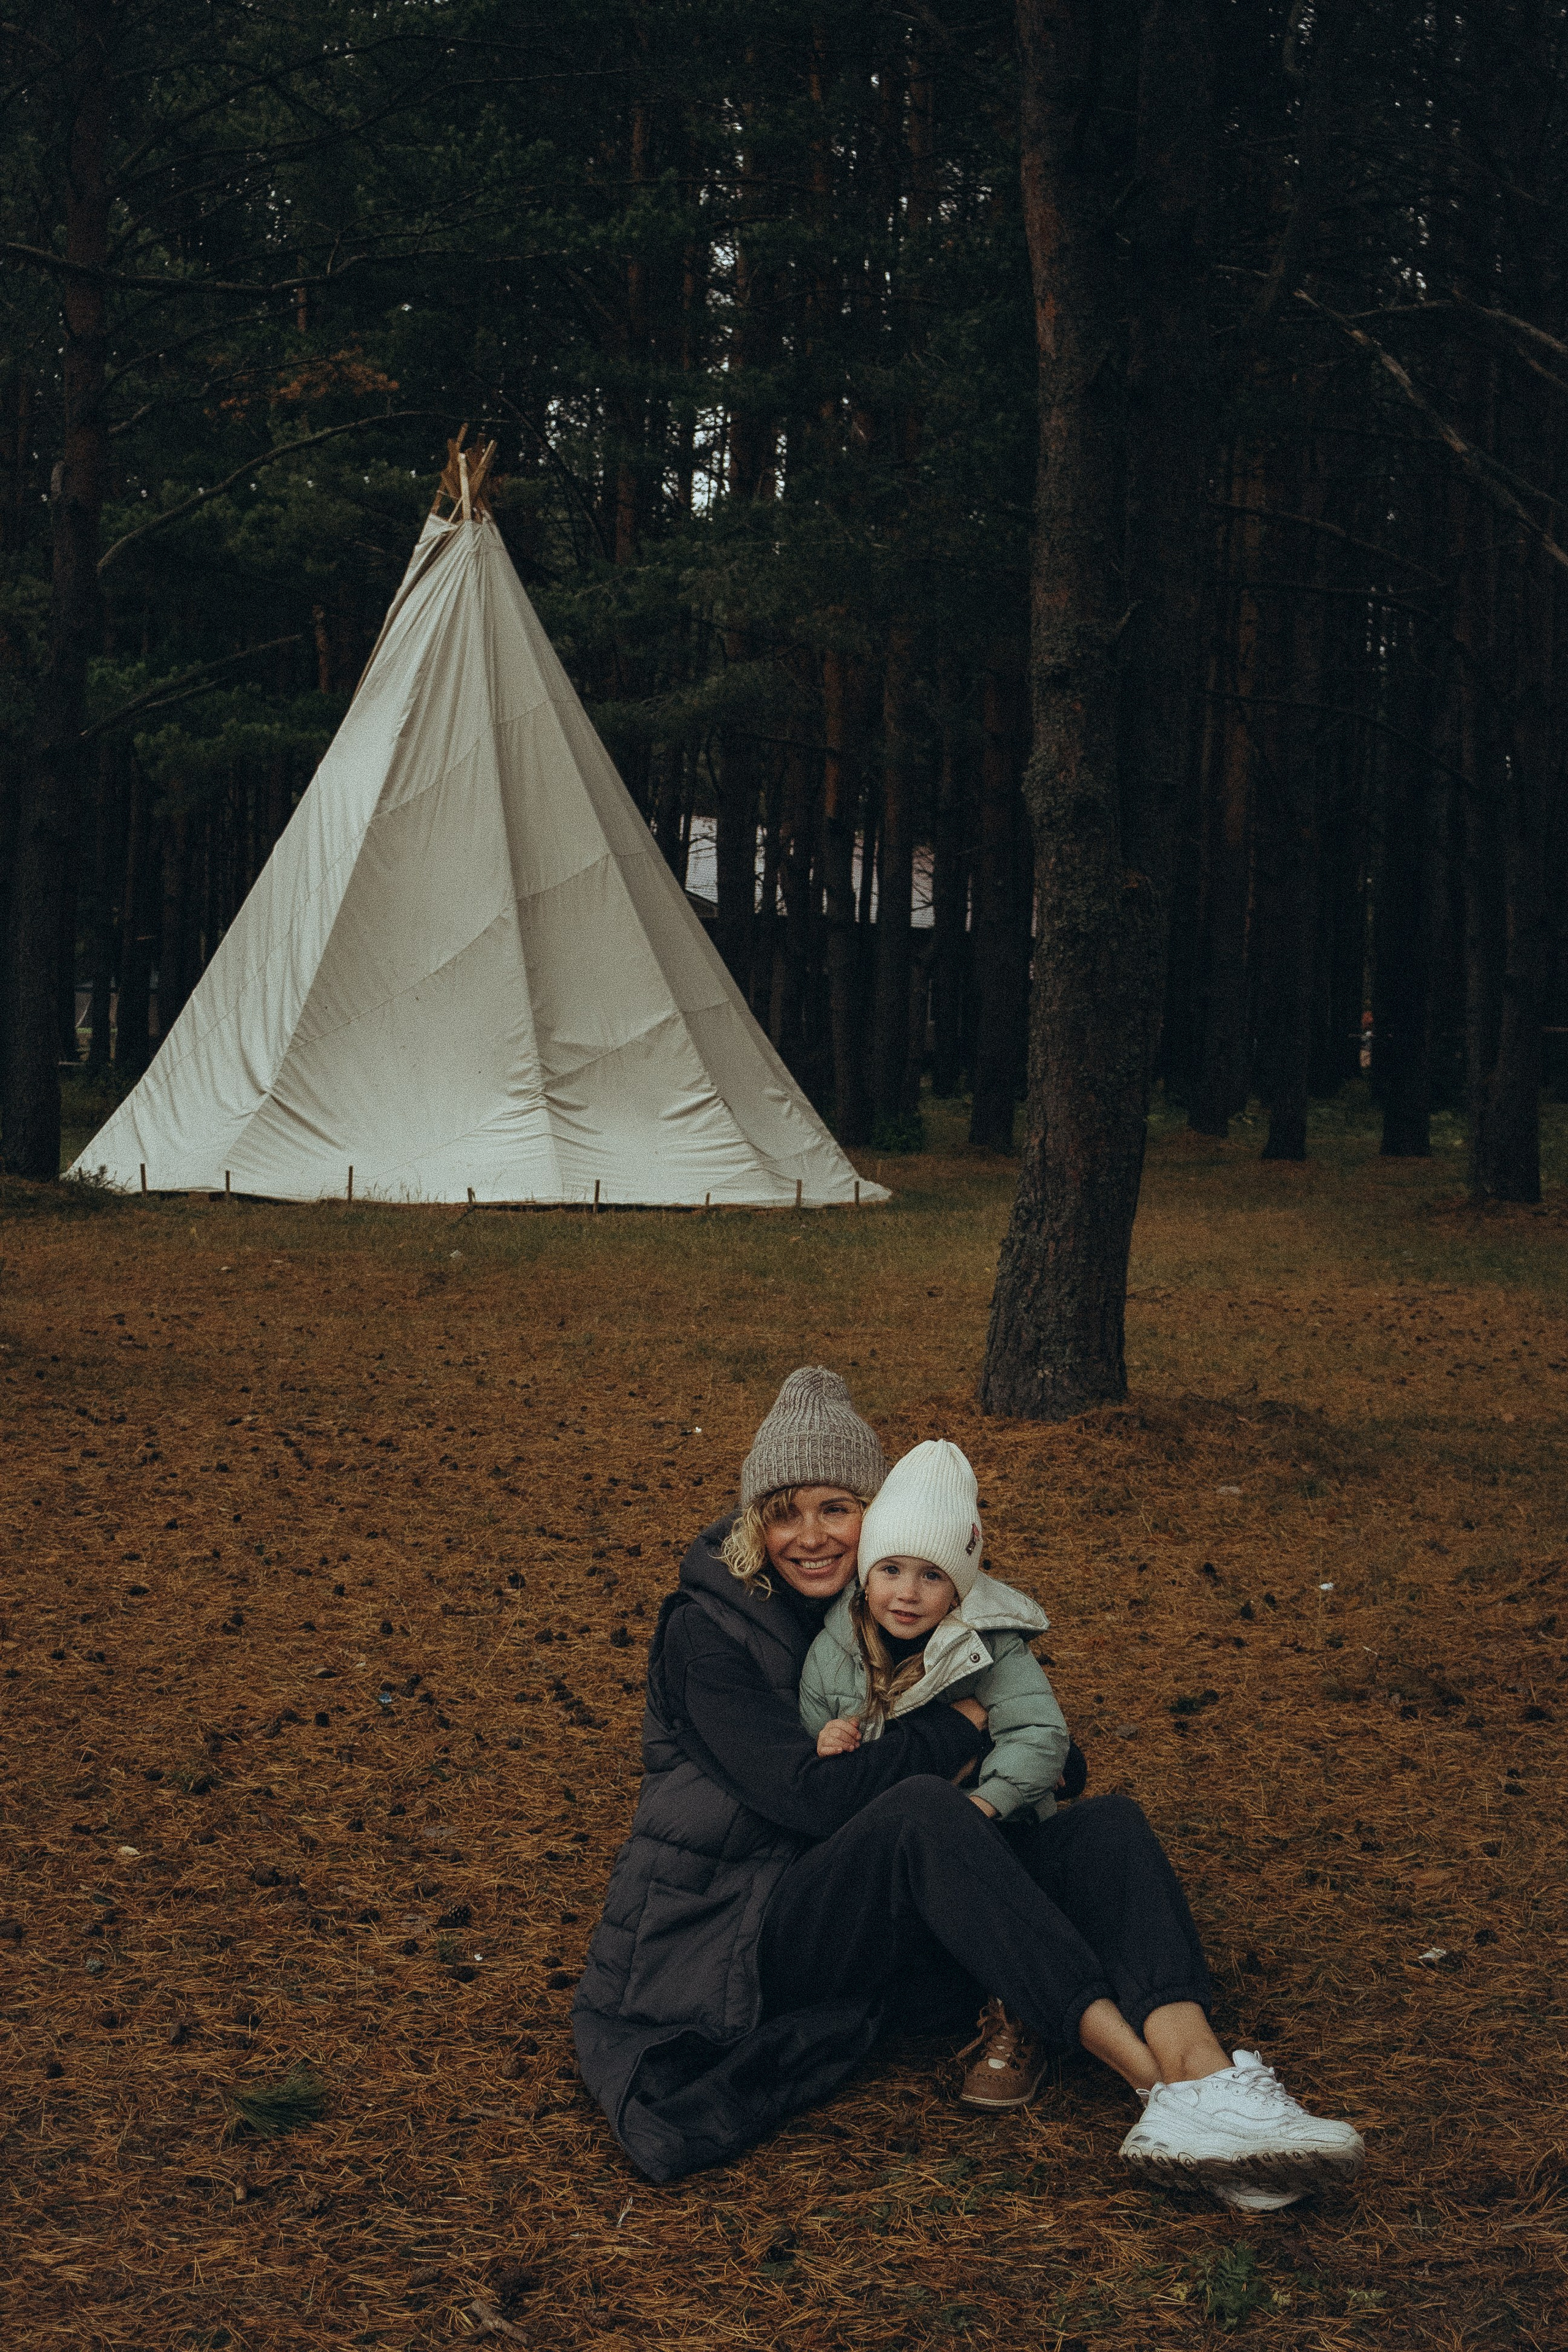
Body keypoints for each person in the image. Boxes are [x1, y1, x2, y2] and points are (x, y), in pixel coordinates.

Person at [573, 1367, 1364, 2208]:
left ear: (877, 1522)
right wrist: (963, 1732)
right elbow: (815, 1797)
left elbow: (1035, 1739)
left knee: (1106, 1831)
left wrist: (1027, 1748)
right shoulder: (708, 1636)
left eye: (835, 1509)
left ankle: (1205, 2075)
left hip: (858, 1890)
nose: (809, 1536)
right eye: (783, 1513)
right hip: (735, 1929)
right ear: (752, 1523)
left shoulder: (882, 1597)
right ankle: (1157, 2095)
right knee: (923, 1808)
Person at [798, 1436, 1072, 2108]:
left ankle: (1017, 2011)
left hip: (993, 1822)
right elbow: (815, 1722)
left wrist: (987, 1804)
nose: (908, 1593)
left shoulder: (990, 1644)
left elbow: (1040, 1732)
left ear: (961, 1583)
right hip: (895, 1827)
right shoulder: (835, 1648)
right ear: (865, 1569)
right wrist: (827, 1736)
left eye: (933, 1576)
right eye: (890, 1568)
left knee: (1012, 1887)